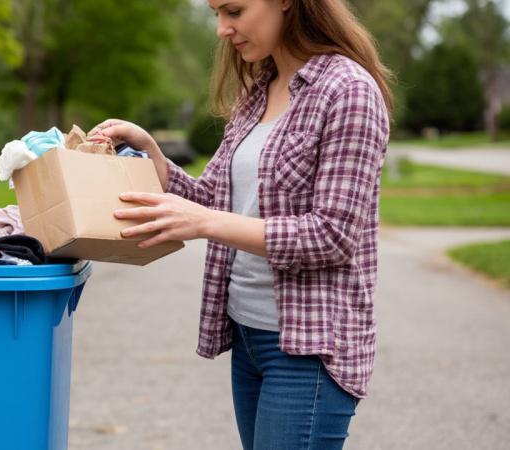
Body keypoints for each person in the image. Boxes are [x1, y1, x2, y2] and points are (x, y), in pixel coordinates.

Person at [88, 0, 393, 448]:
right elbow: (216, 200)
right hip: (249, 334)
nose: (221, 30)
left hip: (307, 348)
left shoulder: (349, 90)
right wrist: (151, 152)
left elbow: (333, 235)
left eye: (233, 10)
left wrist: (205, 222)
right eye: (216, 13)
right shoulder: (258, 93)